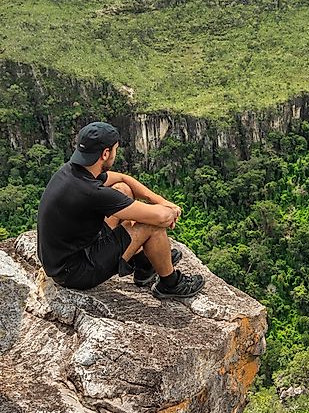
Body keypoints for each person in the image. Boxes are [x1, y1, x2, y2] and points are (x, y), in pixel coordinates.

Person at [36, 121, 206, 299]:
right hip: (75, 272)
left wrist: (159, 200)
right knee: (151, 225)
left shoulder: (74, 171)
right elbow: (161, 218)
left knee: (122, 188)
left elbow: (122, 178)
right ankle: (170, 284)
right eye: (115, 150)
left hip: (68, 255)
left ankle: (144, 265)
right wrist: (172, 210)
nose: (116, 154)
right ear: (106, 153)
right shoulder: (91, 192)